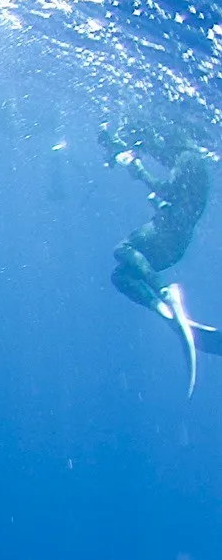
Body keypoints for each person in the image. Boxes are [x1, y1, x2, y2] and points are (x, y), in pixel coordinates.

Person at [103, 120, 215, 391]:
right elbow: (182, 201)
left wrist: (140, 171)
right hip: (177, 242)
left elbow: (168, 190)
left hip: (168, 234)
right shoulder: (194, 163)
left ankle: (165, 292)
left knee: (122, 249)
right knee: (120, 277)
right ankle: (162, 309)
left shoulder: (187, 157)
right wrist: (159, 203)